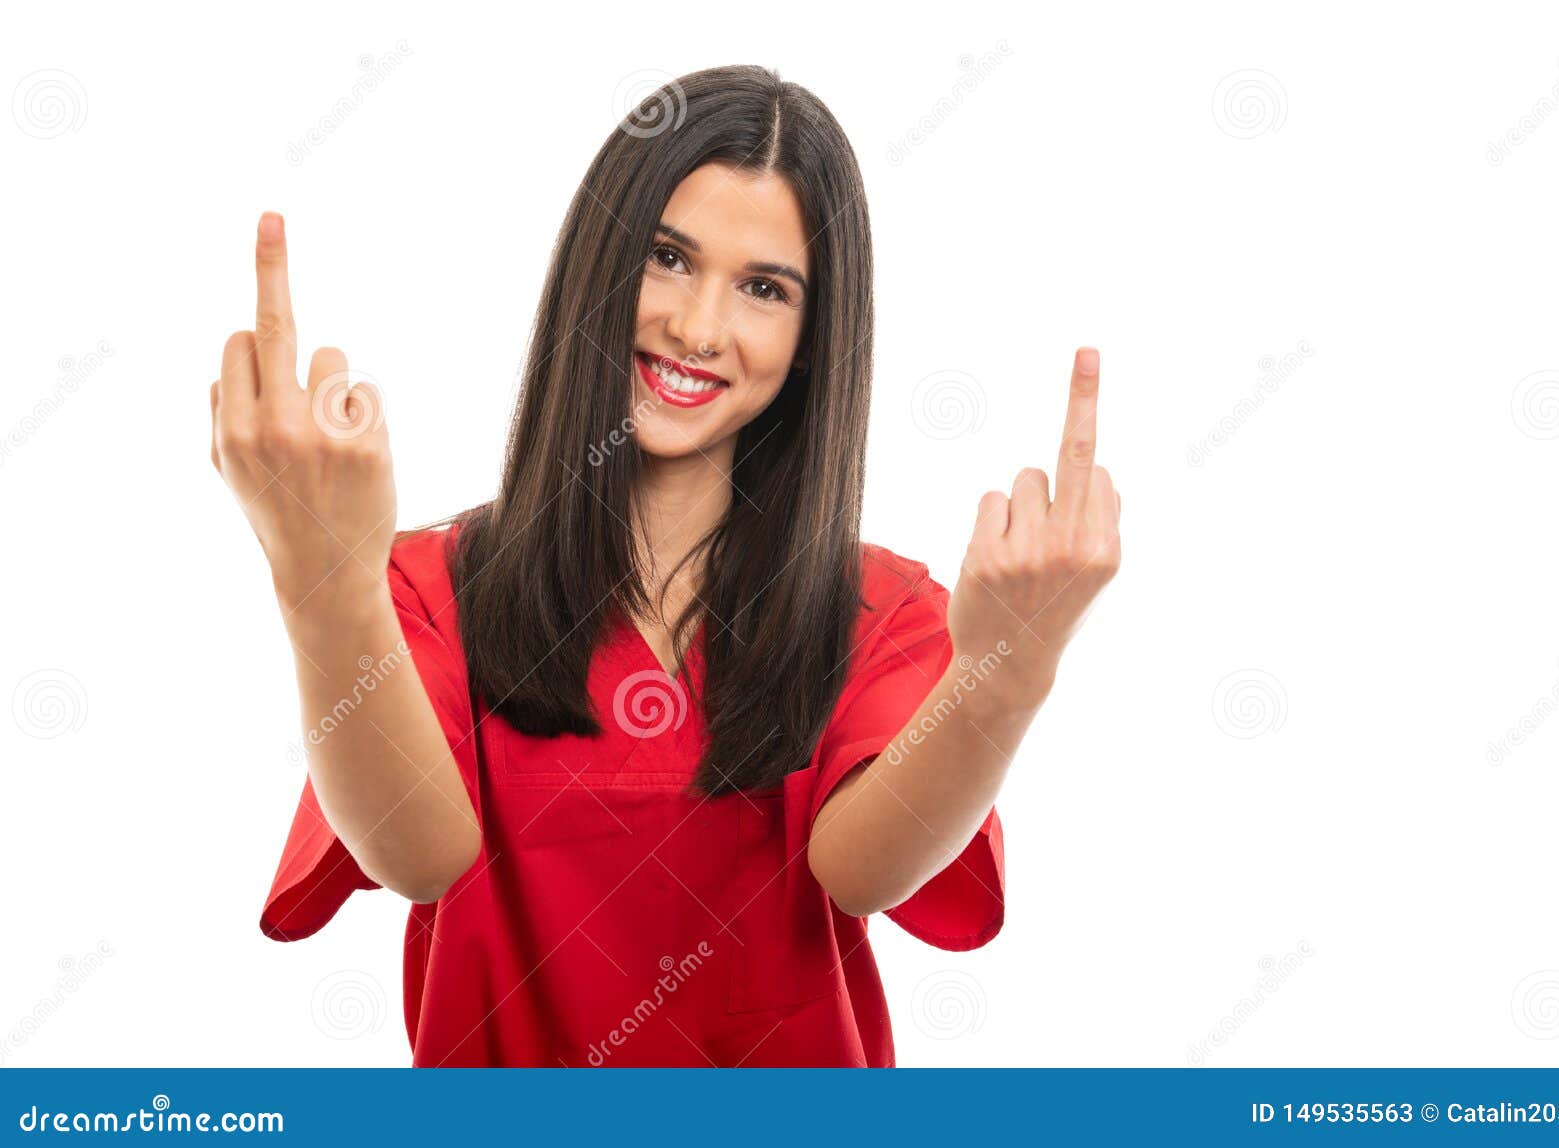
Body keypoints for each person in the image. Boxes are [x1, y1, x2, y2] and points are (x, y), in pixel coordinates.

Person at [210, 64, 1121, 1067]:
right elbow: (419, 854)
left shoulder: (882, 611)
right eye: (668, 259)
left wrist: (1006, 675)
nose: (697, 328)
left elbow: (862, 871)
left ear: (814, 339)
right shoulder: (427, 592)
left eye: (764, 289)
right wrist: (323, 580)